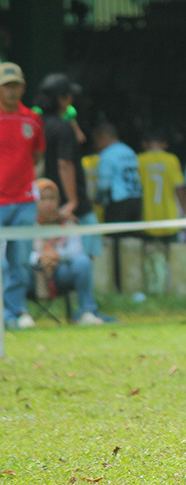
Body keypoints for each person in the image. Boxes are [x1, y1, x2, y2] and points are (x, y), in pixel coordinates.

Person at [34, 74, 101, 259]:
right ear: (61, 99)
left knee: (47, 253)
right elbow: (65, 164)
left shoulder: (37, 124)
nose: (72, 101)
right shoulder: (63, 127)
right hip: (67, 200)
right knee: (87, 251)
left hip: (44, 198)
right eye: (69, 96)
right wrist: (72, 201)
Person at [0, 62, 45, 330]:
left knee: (19, 260)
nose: (11, 90)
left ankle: (16, 311)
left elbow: (38, 156)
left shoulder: (32, 119)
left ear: (23, 87)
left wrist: (29, 183)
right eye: (6, 86)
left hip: (24, 201)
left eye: (15, 85)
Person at [31, 178, 107, 325]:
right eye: (42, 198)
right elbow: (13, 252)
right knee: (11, 268)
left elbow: (76, 250)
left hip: (61, 272)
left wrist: (57, 255)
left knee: (83, 261)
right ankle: (17, 315)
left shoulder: (68, 222)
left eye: (52, 198)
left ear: (58, 200)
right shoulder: (24, 222)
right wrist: (40, 258)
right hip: (32, 275)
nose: (48, 203)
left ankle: (86, 312)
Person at [137, 128, 185, 239]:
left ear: (145, 144)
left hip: (147, 217)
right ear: (164, 144)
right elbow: (179, 187)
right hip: (170, 217)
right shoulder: (172, 160)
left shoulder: (139, 160)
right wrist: (184, 212)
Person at [93, 122, 142, 223]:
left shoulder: (107, 154)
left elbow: (104, 184)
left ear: (103, 137)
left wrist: (98, 198)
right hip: (136, 198)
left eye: (96, 140)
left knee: (113, 235)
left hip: (118, 201)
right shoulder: (129, 151)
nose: (96, 144)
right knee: (132, 235)